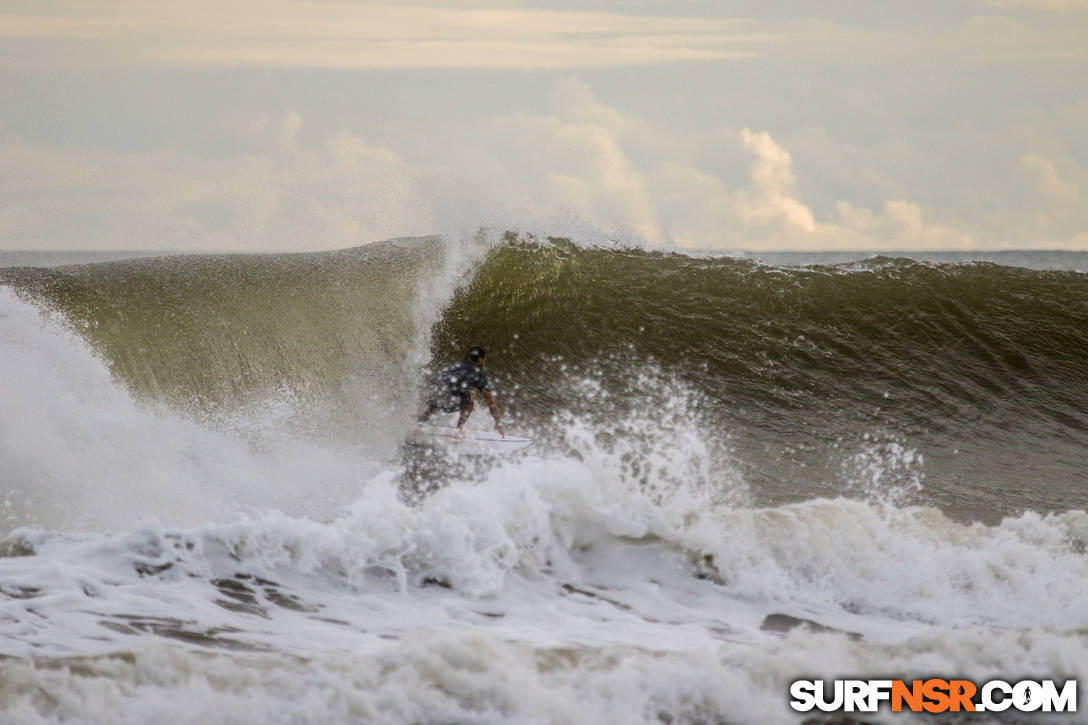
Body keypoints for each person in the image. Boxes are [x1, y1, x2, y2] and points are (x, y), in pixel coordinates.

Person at [419, 346, 504, 436]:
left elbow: (436, 381)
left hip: (434, 398)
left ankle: (422, 420)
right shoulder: (478, 375)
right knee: (471, 396)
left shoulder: (454, 366)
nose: (484, 363)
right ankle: (459, 429)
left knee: (443, 391)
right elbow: (491, 404)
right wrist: (498, 423)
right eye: (484, 360)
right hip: (447, 401)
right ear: (480, 360)